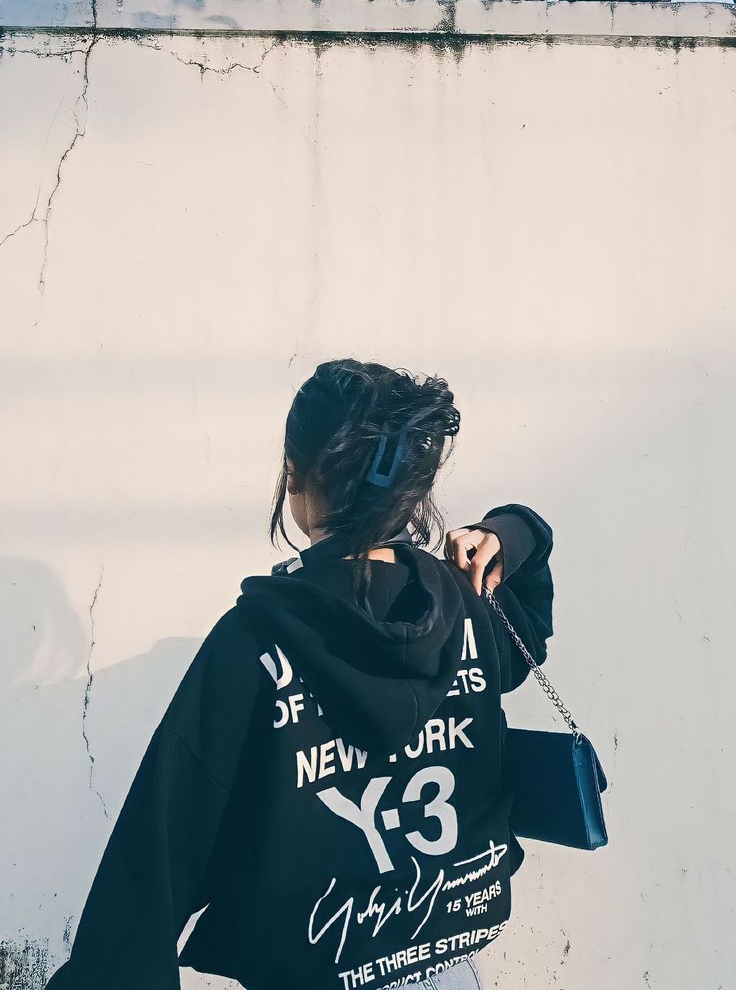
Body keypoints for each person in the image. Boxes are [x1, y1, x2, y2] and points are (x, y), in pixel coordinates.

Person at [45, 358, 554, 990]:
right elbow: (531, 606)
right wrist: (509, 529)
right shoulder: (466, 606)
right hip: (450, 963)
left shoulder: (255, 643)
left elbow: (156, 862)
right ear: (410, 495)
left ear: (295, 477)